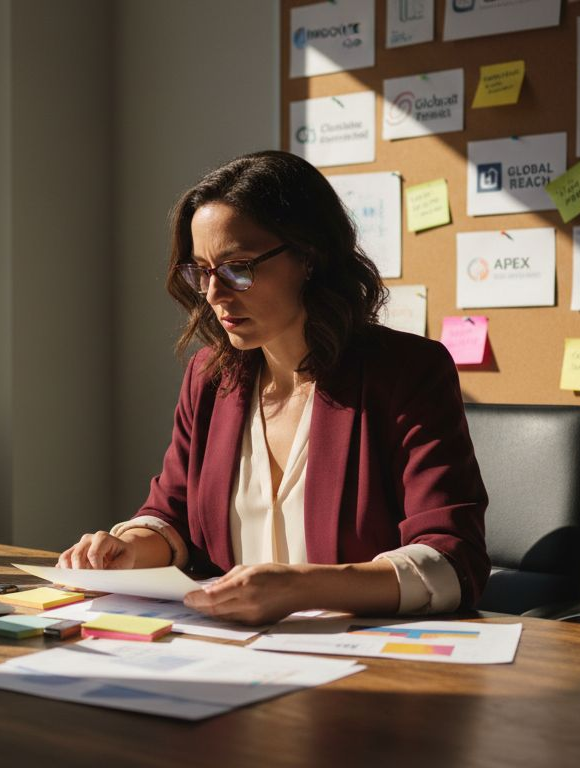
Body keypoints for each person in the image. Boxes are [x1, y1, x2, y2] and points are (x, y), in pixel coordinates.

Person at [58, 150, 489, 626]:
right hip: (232, 655)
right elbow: (174, 514)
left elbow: (452, 560)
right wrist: (128, 548)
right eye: (201, 271)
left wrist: (300, 587)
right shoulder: (211, 378)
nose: (213, 295)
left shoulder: (407, 372)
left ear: (309, 256)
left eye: (237, 267)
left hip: (363, 661)